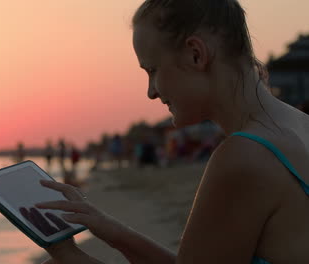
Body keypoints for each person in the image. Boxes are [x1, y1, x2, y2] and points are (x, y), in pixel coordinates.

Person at [35, 0, 309, 263]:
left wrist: (73, 259)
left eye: (152, 70)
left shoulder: (245, 157)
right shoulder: (300, 125)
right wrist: (109, 229)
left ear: (195, 54)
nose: (151, 92)